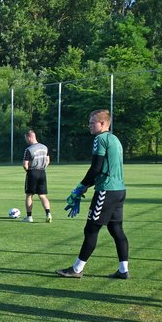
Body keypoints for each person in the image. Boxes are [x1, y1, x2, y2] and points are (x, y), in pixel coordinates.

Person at [56, 110, 130, 279]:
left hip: (106, 191)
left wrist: (81, 187)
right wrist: (87, 186)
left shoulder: (100, 139)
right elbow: (104, 168)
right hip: (119, 191)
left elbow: (96, 168)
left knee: (91, 229)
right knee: (116, 229)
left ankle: (76, 269)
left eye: (92, 122)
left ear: (102, 123)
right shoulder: (115, 139)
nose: (89, 125)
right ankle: (123, 270)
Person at [21, 130, 52, 223]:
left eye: (26, 138)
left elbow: (25, 165)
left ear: (29, 137)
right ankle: (48, 214)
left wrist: (28, 171)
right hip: (42, 172)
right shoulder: (44, 147)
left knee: (29, 195)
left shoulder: (29, 149)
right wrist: (43, 167)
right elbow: (48, 160)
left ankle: (29, 217)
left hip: (32, 172)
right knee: (42, 195)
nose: (26, 140)